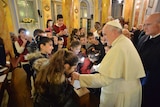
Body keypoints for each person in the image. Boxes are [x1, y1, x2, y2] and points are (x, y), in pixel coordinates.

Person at [71, 19, 145, 107]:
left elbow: (104, 79)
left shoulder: (118, 48)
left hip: (121, 94)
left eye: (105, 34)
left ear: (114, 32)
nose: (104, 38)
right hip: (128, 89)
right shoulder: (124, 42)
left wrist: (79, 78)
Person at [138, 13, 160, 107]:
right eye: (144, 25)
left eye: (148, 24)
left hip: (155, 87)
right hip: (139, 82)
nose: (144, 28)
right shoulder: (143, 38)